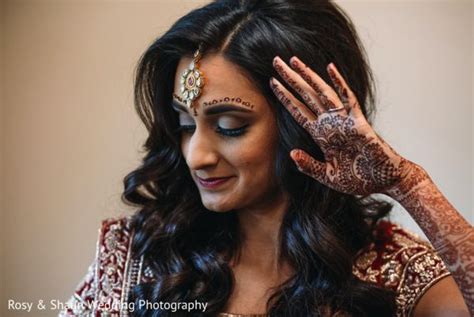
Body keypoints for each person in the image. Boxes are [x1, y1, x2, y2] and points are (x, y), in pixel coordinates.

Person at [60, 0, 473, 316]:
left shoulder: (391, 269)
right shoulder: (139, 254)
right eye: (186, 125)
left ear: (306, 124)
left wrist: (408, 183)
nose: (196, 155)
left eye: (229, 127)